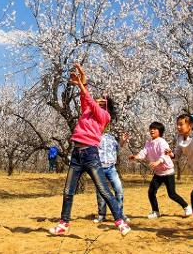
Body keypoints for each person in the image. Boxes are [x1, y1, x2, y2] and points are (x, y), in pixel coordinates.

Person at [48, 64, 131, 236]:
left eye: (103, 101)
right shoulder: (87, 111)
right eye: (98, 99)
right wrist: (82, 80)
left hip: (91, 154)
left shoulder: (104, 117)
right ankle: (64, 224)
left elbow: (91, 101)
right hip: (77, 155)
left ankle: (120, 221)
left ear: (106, 106)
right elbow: (86, 99)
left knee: (104, 190)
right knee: (67, 191)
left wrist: (81, 85)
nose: (99, 100)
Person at [129, 121, 192, 218]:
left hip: (168, 172)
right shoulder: (149, 143)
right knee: (151, 192)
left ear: (160, 131)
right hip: (158, 173)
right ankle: (155, 212)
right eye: (151, 128)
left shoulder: (162, 142)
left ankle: (187, 207)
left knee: (172, 194)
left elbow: (165, 155)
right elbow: (144, 152)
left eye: (154, 129)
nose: (152, 130)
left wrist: (157, 162)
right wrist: (136, 157)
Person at [92, 97, 125, 223]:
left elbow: (119, 146)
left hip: (111, 167)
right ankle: (102, 214)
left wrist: (123, 140)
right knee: (101, 192)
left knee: (119, 189)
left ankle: (120, 213)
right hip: (98, 168)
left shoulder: (112, 137)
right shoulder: (95, 136)